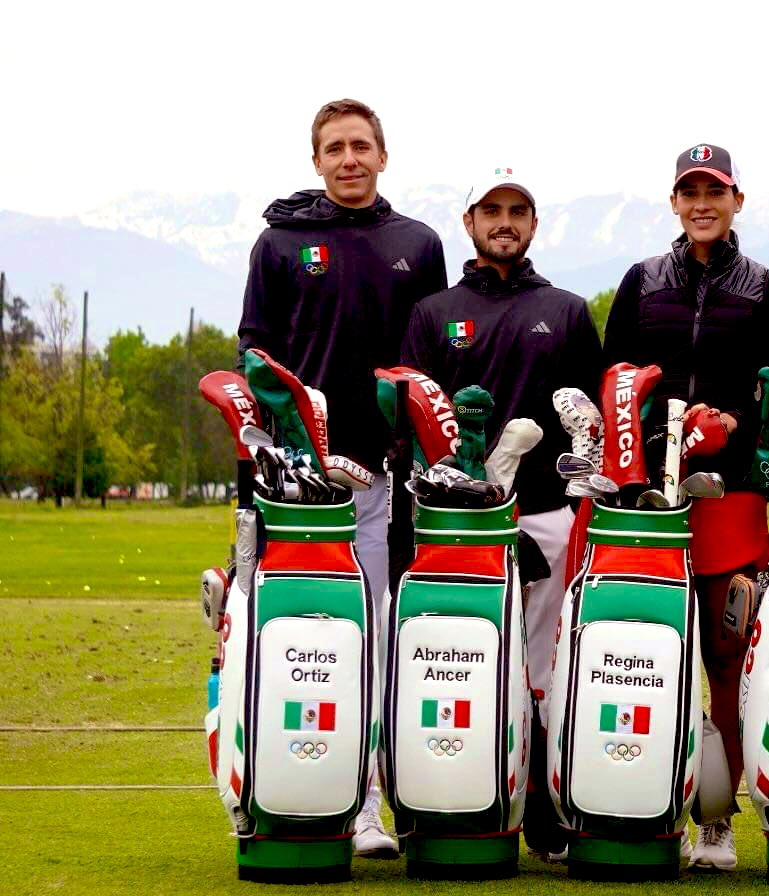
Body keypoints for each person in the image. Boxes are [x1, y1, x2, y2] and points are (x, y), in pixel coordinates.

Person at [237, 98, 447, 857]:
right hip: (300, 486)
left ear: (383, 156)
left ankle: (366, 808)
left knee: (377, 636)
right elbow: (255, 353)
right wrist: (273, 448)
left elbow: (428, 362)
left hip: (385, 480)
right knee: (290, 636)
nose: (350, 158)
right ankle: (273, 793)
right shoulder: (279, 242)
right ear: (317, 161)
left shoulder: (417, 243)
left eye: (362, 145)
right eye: (335, 148)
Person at [603, 144, 769, 871]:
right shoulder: (641, 281)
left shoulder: (768, 289)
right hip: (651, 496)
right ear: (675, 203)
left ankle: (716, 822)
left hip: (731, 492)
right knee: (644, 647)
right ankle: (644, 806)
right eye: (689, 192)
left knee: (725, 656)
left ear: (737, 201)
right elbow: (617, 377)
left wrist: (736, 429)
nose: (702, 203)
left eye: (714, 191)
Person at [399, 167, 603, 855]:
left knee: (543, 667)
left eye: (518, 210)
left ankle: (544, 809)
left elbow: (591, 429)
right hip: (459, 525)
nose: (505, 221)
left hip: (545, 511)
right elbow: (414, 414)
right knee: (461, 659)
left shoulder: (569, 310)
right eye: (492, 210)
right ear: (470, 222)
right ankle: (452, 800)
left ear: (535, 224)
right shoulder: (433, 312)